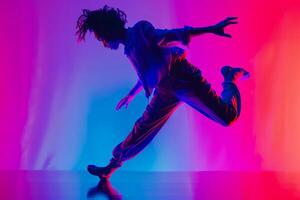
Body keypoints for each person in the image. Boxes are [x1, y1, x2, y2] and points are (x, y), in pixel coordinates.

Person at [76, 5, 250, 180]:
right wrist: (131, 94)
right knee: (142, 127)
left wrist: (210, 29)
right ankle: (111, 167)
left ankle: (230, 77)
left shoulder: (140, 30)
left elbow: (170, 35)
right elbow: (147, 73)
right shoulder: (129, 49)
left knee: (228, 117)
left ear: (108, 30)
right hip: (165, 90)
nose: (103, 43)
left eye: (101, 38)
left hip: (184, 79)